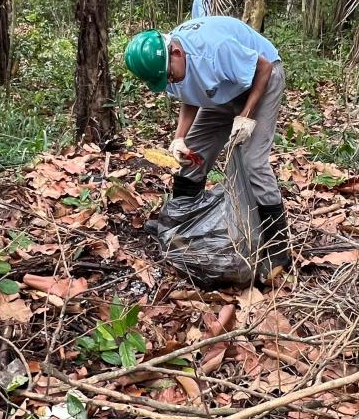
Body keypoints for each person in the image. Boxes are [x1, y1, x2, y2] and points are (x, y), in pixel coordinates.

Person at [124, 15, 290, 283]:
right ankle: (180, 221)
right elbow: (188, 91)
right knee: (194, 154)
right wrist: (180, 138)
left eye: (169, 75)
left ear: (176, 53)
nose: (170, 82)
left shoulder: (215, 49)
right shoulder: (172, 63)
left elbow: (264, 67)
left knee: (252, 161)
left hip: (262, 78)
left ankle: (279, 249)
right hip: (224, 89)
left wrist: (246, 116)